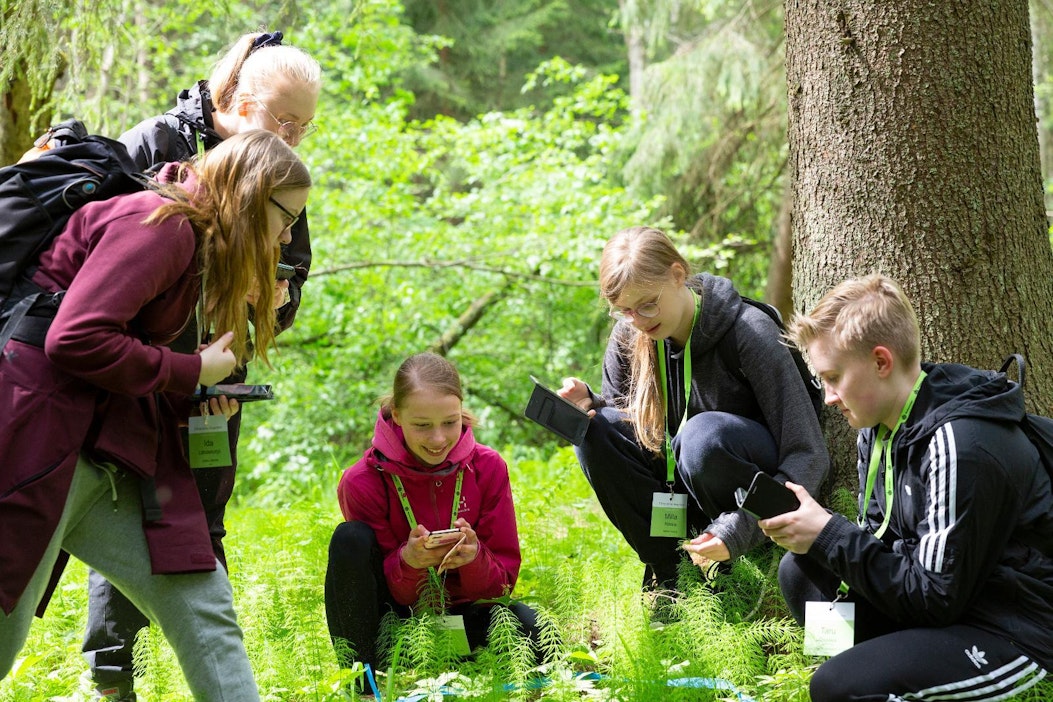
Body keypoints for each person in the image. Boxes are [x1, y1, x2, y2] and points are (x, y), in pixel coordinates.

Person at [0, 130, 311, 701]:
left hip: (107, 454)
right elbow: (73, 340)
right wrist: (190, 371)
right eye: (286, 217)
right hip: (38, 444)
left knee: (201, 598)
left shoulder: (199, 243)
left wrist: (196, 390)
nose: (289, 236)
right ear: (250, 196)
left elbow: (134, 354)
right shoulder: (160, 225)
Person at [82, 31, 321, 700]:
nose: (292, 136)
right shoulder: (158, 146)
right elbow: (104, 278)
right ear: (240, 103)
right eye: (283, 119)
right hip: (133, 378)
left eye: (304, 126)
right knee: (130, 507)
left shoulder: (279, 170)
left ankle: (204, 663)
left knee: (202, 515)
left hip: (216, 376)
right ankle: (114, 674)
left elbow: (291, 268)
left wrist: (268, 306)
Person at [763, 274, 1053, 701]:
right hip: (947, 605)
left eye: (834, 377)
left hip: (1011, 628)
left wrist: (830, 533)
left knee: (836, 688)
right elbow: (885, 541)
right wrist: (822, 538)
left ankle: (871, 683)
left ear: (881, 362)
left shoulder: (960, 443)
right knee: (801, 570)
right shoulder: (878, 425)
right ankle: (877, 674)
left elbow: (935, 598)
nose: (828, 397)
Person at [557, 226, 829, 597]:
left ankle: (743, 567)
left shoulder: (749, 331)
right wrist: (592, 405)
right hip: (678, 489)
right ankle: (674, 578)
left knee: (701, 437)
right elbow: (629, 442)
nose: (639, 320)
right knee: (593, 431)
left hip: (751, 501)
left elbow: (808, 453)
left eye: (648, 305)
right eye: (625, 311)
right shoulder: (629, 335)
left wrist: (740, 528)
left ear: (677, 274)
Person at [325, 352, 541, 674]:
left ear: (461, 411)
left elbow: (500, 588)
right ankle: (366, 677)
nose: (438, 439)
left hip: (465, 617)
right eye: (422, 425)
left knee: (533, 630)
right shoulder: (362, 480)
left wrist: (474, 558)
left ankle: (460, 663)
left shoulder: (488, 467)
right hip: (395, 628)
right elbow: (378, 586)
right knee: (349, 538)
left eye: (450, 422)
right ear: (397, 415)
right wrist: (408, 561)